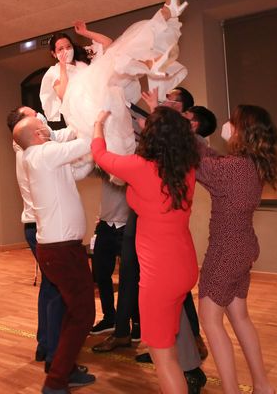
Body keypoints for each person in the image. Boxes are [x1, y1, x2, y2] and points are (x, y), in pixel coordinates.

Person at [92, 106, 200, 394]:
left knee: (162, 357)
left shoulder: (140, 168)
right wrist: (157, 112)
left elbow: (100, 155)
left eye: (146, 124)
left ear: (151, 136)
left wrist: (98, 125)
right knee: (169, 344)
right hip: (185, 266)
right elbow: (171, 132)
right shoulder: (186, 168)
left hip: (160, 278)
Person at [40, 0, 189, 161]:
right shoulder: (54, 72)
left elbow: (108, 43)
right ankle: (152, 59)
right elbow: (64, 94)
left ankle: (166, 18)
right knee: (115, 59)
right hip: (86, 105)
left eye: (68, 46)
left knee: (121, 49)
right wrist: (63, 67)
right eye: (60, 49)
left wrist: (86, 32)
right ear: (53, 54)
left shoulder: (84, 61)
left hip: (107, 92)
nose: (66, 51)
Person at [196, 105, 277, 394]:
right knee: (239, 317)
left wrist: (181, 132)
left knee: (209, 320)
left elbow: (198, 162)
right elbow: (210, 158)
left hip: (226, 250)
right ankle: (263, 386)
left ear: (242, 130)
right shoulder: (250, 164)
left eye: (232, 121)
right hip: (244, 246)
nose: (226, 124)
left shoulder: (232, 168)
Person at [13, 115, 96, 394]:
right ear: (39, 134)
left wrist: (97, 156)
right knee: (83, 314)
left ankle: (66, 369)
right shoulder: (43, 153)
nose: (47, 126)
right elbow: (84, 143)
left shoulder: (43, 159)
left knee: (70, 311)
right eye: (42, 124)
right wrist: (98, 121)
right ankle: (56, 381)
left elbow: (79, 170)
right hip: (62, 250)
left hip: (59, 248)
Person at [6, 106, 72, 369]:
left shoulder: (24, 148)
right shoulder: (33, 152)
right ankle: (55, 354)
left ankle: (45, 344)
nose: (41, 118)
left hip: (35, 226)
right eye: (34, 115)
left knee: (49, 287)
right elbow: (70, 144)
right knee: (57, 290)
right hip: (42, 227)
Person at [90, 178, 129, 334]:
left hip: (127, 223)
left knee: (129, 278)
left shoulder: (132, 156)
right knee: (101, 274)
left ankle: (133, 322)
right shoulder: (104, 161)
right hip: (106, 223)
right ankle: (109, 318)